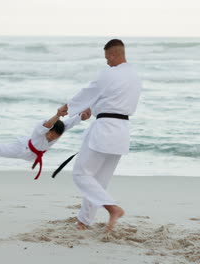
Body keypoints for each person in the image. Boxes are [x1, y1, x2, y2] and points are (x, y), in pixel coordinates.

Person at [58, 39, 142, 231]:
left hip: (104, 129)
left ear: (113, 54)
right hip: (122, 132)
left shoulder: (110, 73)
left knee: (81, 174)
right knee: (98, 182)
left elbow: (90, 90)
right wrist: (91, 108)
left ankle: (112, 209)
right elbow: (112, 98)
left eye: (107, 58)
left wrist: (67, 107)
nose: (106, 62)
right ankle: (84, 221)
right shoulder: (135, 76)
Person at [0, 107, 91, 179]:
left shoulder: (61, 129)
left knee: (6, 154)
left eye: (54, 138)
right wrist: (58, 115)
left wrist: (82, 115)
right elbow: (48, 124)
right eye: (50, 136)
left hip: (33, 154)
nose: (51, 139)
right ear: (48, 131)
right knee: (4, 149)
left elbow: (72, 122)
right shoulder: (40, 132)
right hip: (24, 147)